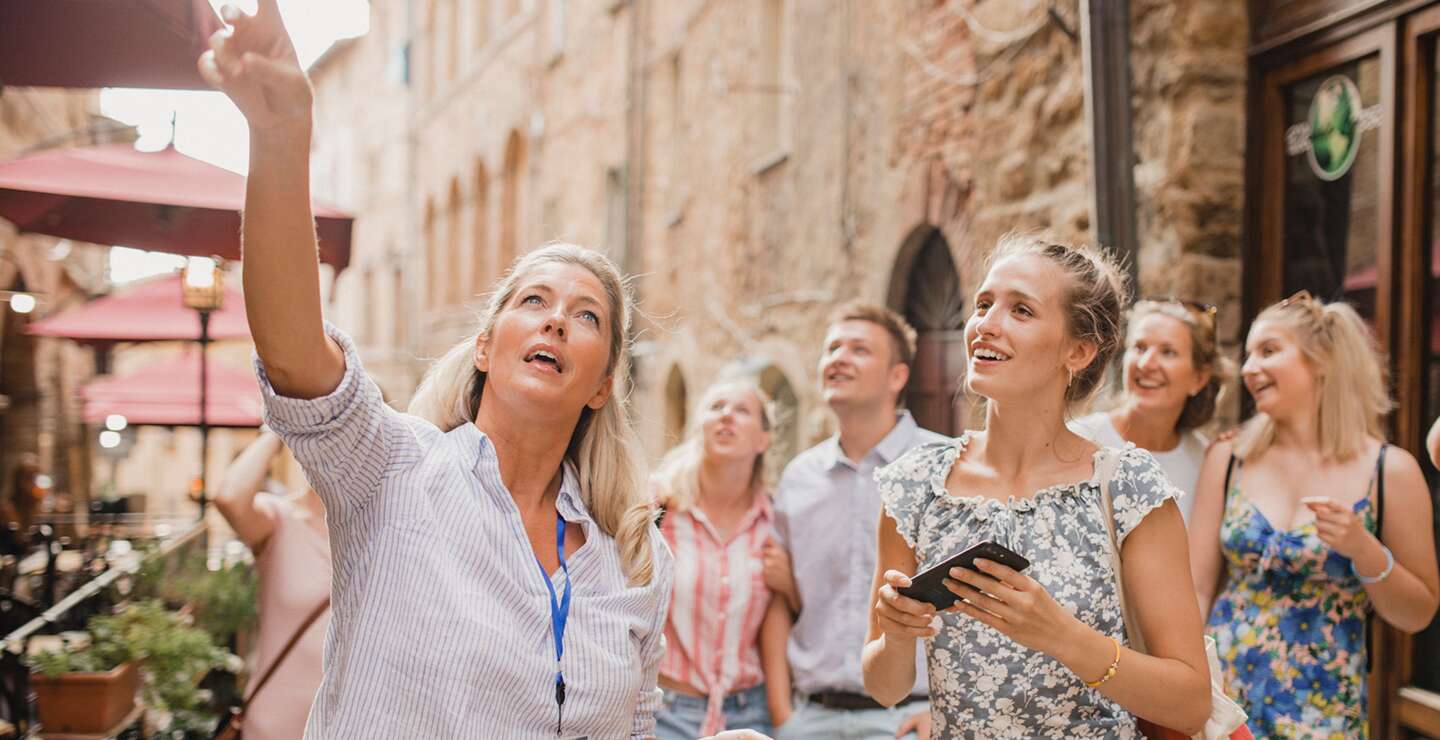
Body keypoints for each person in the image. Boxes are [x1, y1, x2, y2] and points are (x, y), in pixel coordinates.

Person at [198, 4, 673, 736]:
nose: (555, 319)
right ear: (485, 347)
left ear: (603, 384)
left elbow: (635, 726)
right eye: (534, 300)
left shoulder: (636, 556)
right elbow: (294, 353)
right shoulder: (393, 471)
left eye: (586, 316)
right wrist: (281, 131)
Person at [863, 235, 1213, 738]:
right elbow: (884, 688)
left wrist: (1062, 636)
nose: (986, 324)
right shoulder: (917, 482)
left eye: (1021, 310)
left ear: (1079, 351)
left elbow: (1190, 703)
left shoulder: (1127, 487)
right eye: (983, 304)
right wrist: (897, 636)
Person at [1190, 290, 1439, 738]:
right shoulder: (1228, 457)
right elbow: (1196, 589)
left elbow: (1417, 613)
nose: (1248, 369)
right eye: (1248, 354)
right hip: (1226, 706)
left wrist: (1364, 550)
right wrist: (1187, 689)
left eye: (1268, 350)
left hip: (1325, 711)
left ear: (1323, 361)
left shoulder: (1390, 471)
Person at [766, 301, 939, 739]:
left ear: (897, 377)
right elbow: (780, 601)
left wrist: (943, 710)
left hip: (908, 721)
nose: (839, 358)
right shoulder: (799, 478)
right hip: (810, 720)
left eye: (859, 350)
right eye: (833, 348)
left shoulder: (943, 465)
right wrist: (784, 716)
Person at [653, 379, 788, 738]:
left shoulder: (775, 522)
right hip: (664, 715)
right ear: (699, 426)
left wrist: (790, 586)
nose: (726, 415)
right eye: (715, 407)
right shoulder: (658, 508)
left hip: (749, 716)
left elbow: (787, 621)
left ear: (764, 439)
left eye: (742, 410)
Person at [214, 429, 331, 740]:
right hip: (275, 726)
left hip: (352, 724)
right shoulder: (282, 519)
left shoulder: (383, 533)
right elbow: (229, 498)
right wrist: (277, 427)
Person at [1072, 298, 1233, 523]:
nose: (1146, 364)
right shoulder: (1080, 438)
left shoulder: (1204, 462)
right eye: (1140, 347)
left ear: (1199, 378)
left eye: (1168, 352)